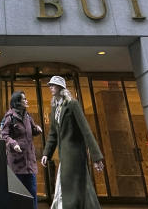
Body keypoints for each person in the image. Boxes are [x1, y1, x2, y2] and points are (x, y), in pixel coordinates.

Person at [41, 76, 104, 209]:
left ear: (61, 87)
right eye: (50, 85)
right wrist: (46, 153)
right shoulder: (54, 108)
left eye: (53, 85)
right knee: (79, 186)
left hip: (75, 153)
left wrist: (96, 157)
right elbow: (53, 134)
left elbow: (85, 129)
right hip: (64, 155)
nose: (50, 87)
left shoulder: (72, 104)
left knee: (70, 185)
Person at [0, 90, 43, 209]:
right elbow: (4, 135)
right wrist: (14, 144)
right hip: (17, 164)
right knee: (18, 196)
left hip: (29, 163)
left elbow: (32, 130)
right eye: (24, 99)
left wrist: (37, 129)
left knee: (32, 193)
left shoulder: (27, 115)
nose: (26, 101)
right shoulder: (10, 117)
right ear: (17, 102)